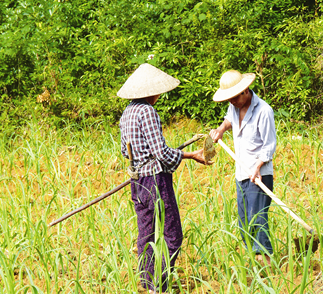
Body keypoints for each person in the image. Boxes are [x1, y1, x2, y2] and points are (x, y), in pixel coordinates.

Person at [117, 63, 211, 293]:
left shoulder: (127, 112)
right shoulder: (148, 111)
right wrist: (190, 155)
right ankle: (159, 284)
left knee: (146, 234)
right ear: (153, 91)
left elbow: (123, 150)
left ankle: (148, 285)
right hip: (155, 181)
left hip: (136, 182)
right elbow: (161, 153)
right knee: (172, 235)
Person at [209, 70, 276, 265]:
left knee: (258, 218)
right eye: (228, 99)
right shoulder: (234, 107)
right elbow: (229, 120)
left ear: (245, 91)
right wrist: (221, 130)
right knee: (244, 219)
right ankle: (253, 259)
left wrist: (258, 166)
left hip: (259, 174)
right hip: (242, 173)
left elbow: (269, 145)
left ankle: (267, 260)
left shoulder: (264, 111)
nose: (232, 102)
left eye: (234, 98)